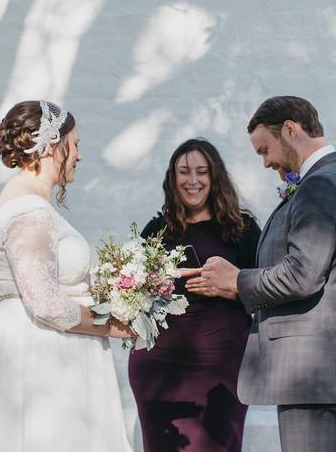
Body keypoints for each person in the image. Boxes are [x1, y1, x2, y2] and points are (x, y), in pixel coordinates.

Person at [186, 96, 336, 452]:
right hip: (320, 373)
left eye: (265, 150)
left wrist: (236, 281)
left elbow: (302, 274)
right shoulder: (330, 178)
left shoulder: (322, 184)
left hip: (313, 373)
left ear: (290, 130)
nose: (265, 163)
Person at [0, 100, 133, 452]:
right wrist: (113, 324)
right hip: (44, 356)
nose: (79, 156)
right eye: (76, 144)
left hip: (53, 347)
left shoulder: (32, 202)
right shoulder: (28, 210)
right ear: (53, 145)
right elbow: (46, 303)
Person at [128, 138, 261, 452]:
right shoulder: (155, 231)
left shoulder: (241, 229)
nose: (192, 180)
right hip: (159, 366)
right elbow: (137, 293)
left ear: (215, 178)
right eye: (184, 172)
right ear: (172, 179)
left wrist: (230, 288)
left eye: (202, 171)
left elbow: (266, 288)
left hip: (221, 368)